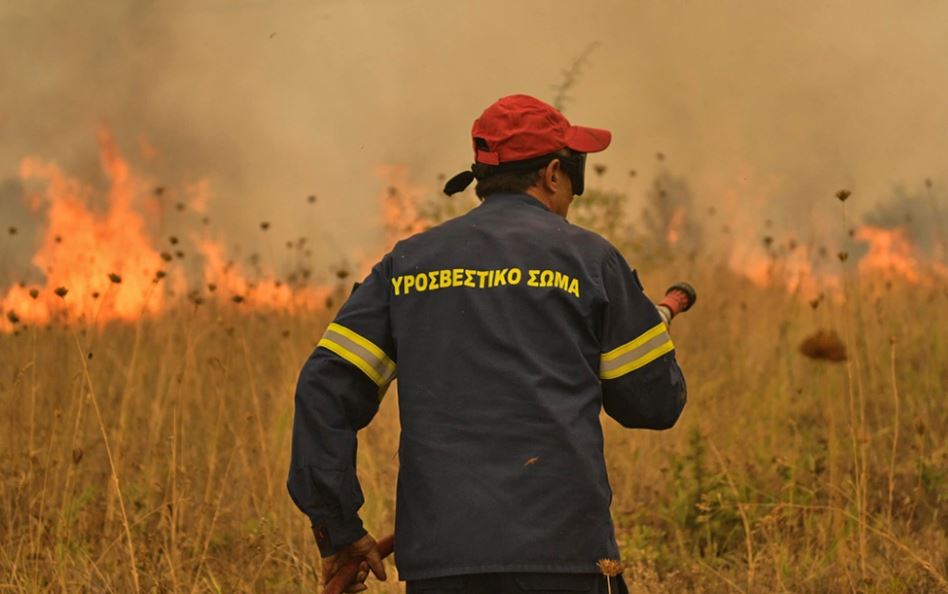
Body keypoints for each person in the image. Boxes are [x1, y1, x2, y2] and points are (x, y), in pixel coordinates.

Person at [288, 94, 687, 594]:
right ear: (554, 174)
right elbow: (652, 405)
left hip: (442, 564)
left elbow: (324, 390)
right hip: (564, 559)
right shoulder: (590, 261)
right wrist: (650, 339)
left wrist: (338, 529)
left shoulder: (407, 264)